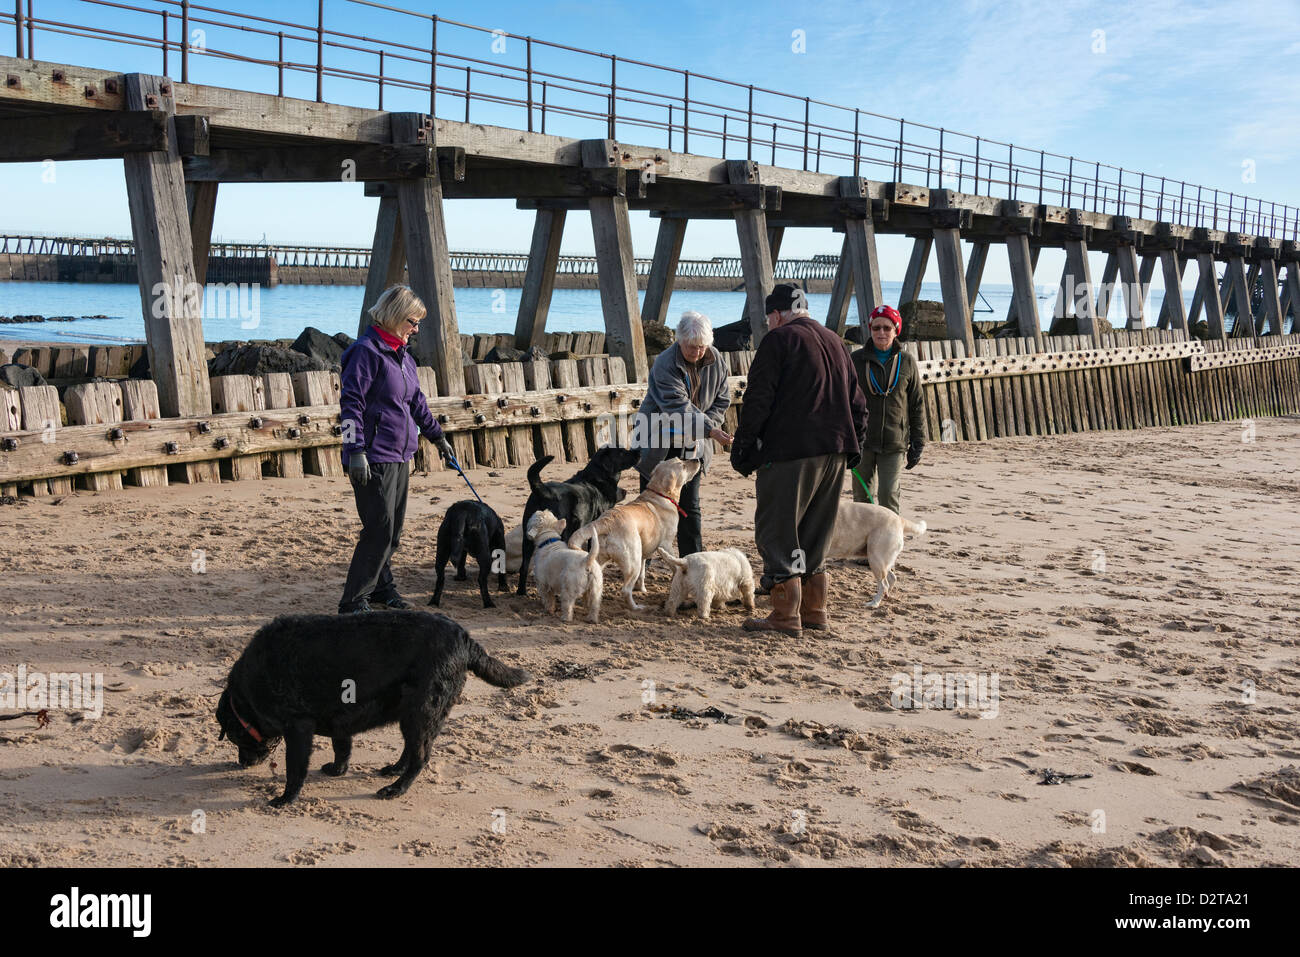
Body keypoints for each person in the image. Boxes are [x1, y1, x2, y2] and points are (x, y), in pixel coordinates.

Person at [731, 283, 867, 636]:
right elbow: (858, 405)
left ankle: (784, 612)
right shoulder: (837, 342)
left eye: (769, 318)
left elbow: (759, 400)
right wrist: (854, 448)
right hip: (836, 449)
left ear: (777, 314)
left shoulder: (778, 341)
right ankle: (814, 609)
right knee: (815, 532)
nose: (769, 324)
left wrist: (744, 449)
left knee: (778, 530)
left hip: (790, 452)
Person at [337, 284, 453, 614]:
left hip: (401, 455)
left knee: (394, 532)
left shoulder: (404, 357)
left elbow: (417, 403)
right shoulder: (366, 352)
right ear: (393, 317)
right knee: (379, 530)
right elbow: (350, 404)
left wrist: (438, 437)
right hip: (372, 456)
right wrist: (355, 450)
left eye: (418, 323)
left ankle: (381, 588)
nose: (416, 329)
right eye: (412, 322)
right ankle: (353, 600)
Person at [632, 310, 732, 557]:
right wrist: (710, 429)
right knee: (650, 503)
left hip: (695, 440)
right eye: (691, 347)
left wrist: (710, 427)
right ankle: (644, 561)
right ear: (679, 340)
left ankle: (692, 559)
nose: (697, 352)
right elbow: (678, 406)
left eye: (701, 347)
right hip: (659, 436)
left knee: (690, 504)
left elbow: (722, 399)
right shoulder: (665, 363)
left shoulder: (716, 360)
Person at [848, 304, 924, 514]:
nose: (881, 332)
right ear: (870, 329)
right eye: (876, 328)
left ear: (896, 330)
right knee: (861, 499)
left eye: (887, 328)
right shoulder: (856, 360)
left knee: (888, 495)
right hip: (862, 442)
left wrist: (918, 441)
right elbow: (844, 401)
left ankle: (890, 544)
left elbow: (917, 404)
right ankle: (862, 545)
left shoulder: (907, 362)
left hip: (894, 442)